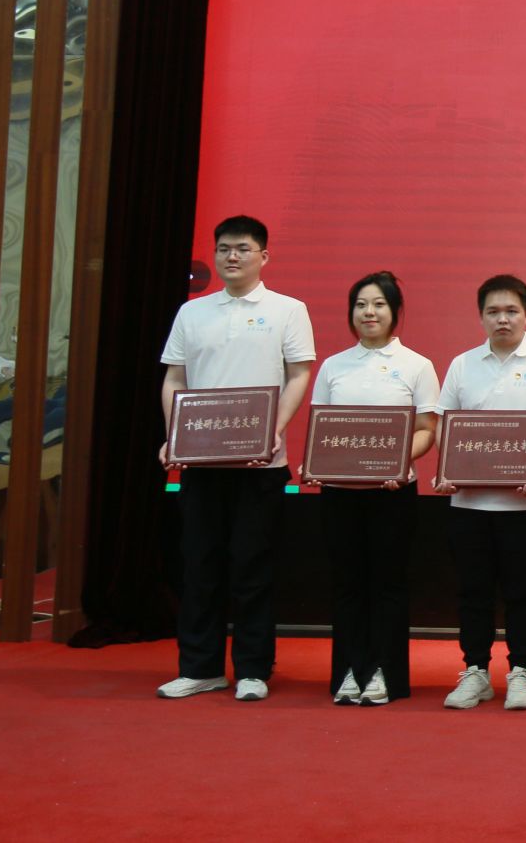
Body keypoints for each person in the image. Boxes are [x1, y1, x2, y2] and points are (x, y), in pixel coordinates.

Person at [155, 215, 316, 702]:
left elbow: (299, 374)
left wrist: (274, 431)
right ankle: (200, 667)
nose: (232, 256)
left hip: (260, 466)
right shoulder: (192, 313)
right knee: (199, 567)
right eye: (224, 248)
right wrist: (175, 437)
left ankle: (252, 668)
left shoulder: (288, 309)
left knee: (252, 568)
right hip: (202, 466)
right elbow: (175, 380)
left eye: (243, 248)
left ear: (263, 256)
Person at [434, 274, 526, 711]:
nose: (503, 319)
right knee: (472, 590)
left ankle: (520, 671)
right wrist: (449, 467)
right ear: (481, 317)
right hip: (468, 501)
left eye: (512, 311)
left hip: (523, 500)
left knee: (522, 591)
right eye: (493, 312)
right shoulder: (462, 364)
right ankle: (475, 670)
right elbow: (445, 422)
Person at [307, 271, 438, 706]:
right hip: (339, 492)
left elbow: (426, 430)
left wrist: (399, 463)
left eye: (379, 304)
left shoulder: (417, 365)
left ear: (394, 312)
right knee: (347, 584)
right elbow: (322, 428)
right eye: (361, 304)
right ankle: (349, 669)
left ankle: (384, 673)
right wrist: (316, 463)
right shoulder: (333, 365)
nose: (369, 312)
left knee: (388, 584)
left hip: (392, 492)